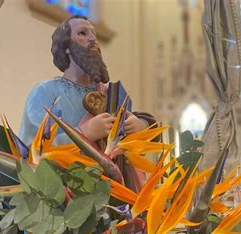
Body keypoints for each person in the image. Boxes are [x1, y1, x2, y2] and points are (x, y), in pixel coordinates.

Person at [19, 15, 152, 146]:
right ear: (66, 47)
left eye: (94, 34)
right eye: (82, 33)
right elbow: (32, 148)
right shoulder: (46, 92)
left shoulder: (113, 94)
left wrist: (141, 126)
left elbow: (135, 141)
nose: (93, 39)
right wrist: (84, 133)